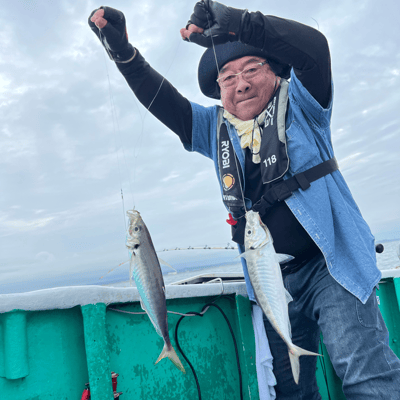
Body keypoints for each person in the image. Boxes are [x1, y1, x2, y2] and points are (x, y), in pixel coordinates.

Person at [88, 2, 400, 398]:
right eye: (228, 77)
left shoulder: (303, 105)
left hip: (331, 266)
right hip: (269, 282)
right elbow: (165, 102)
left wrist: (240, 23)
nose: (241, 83)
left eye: (252, 69)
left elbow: (315, 50)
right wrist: (123, 53)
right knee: (291, 391)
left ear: (275, 72)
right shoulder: (213, 128)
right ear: (219, 90)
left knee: (366, 378)